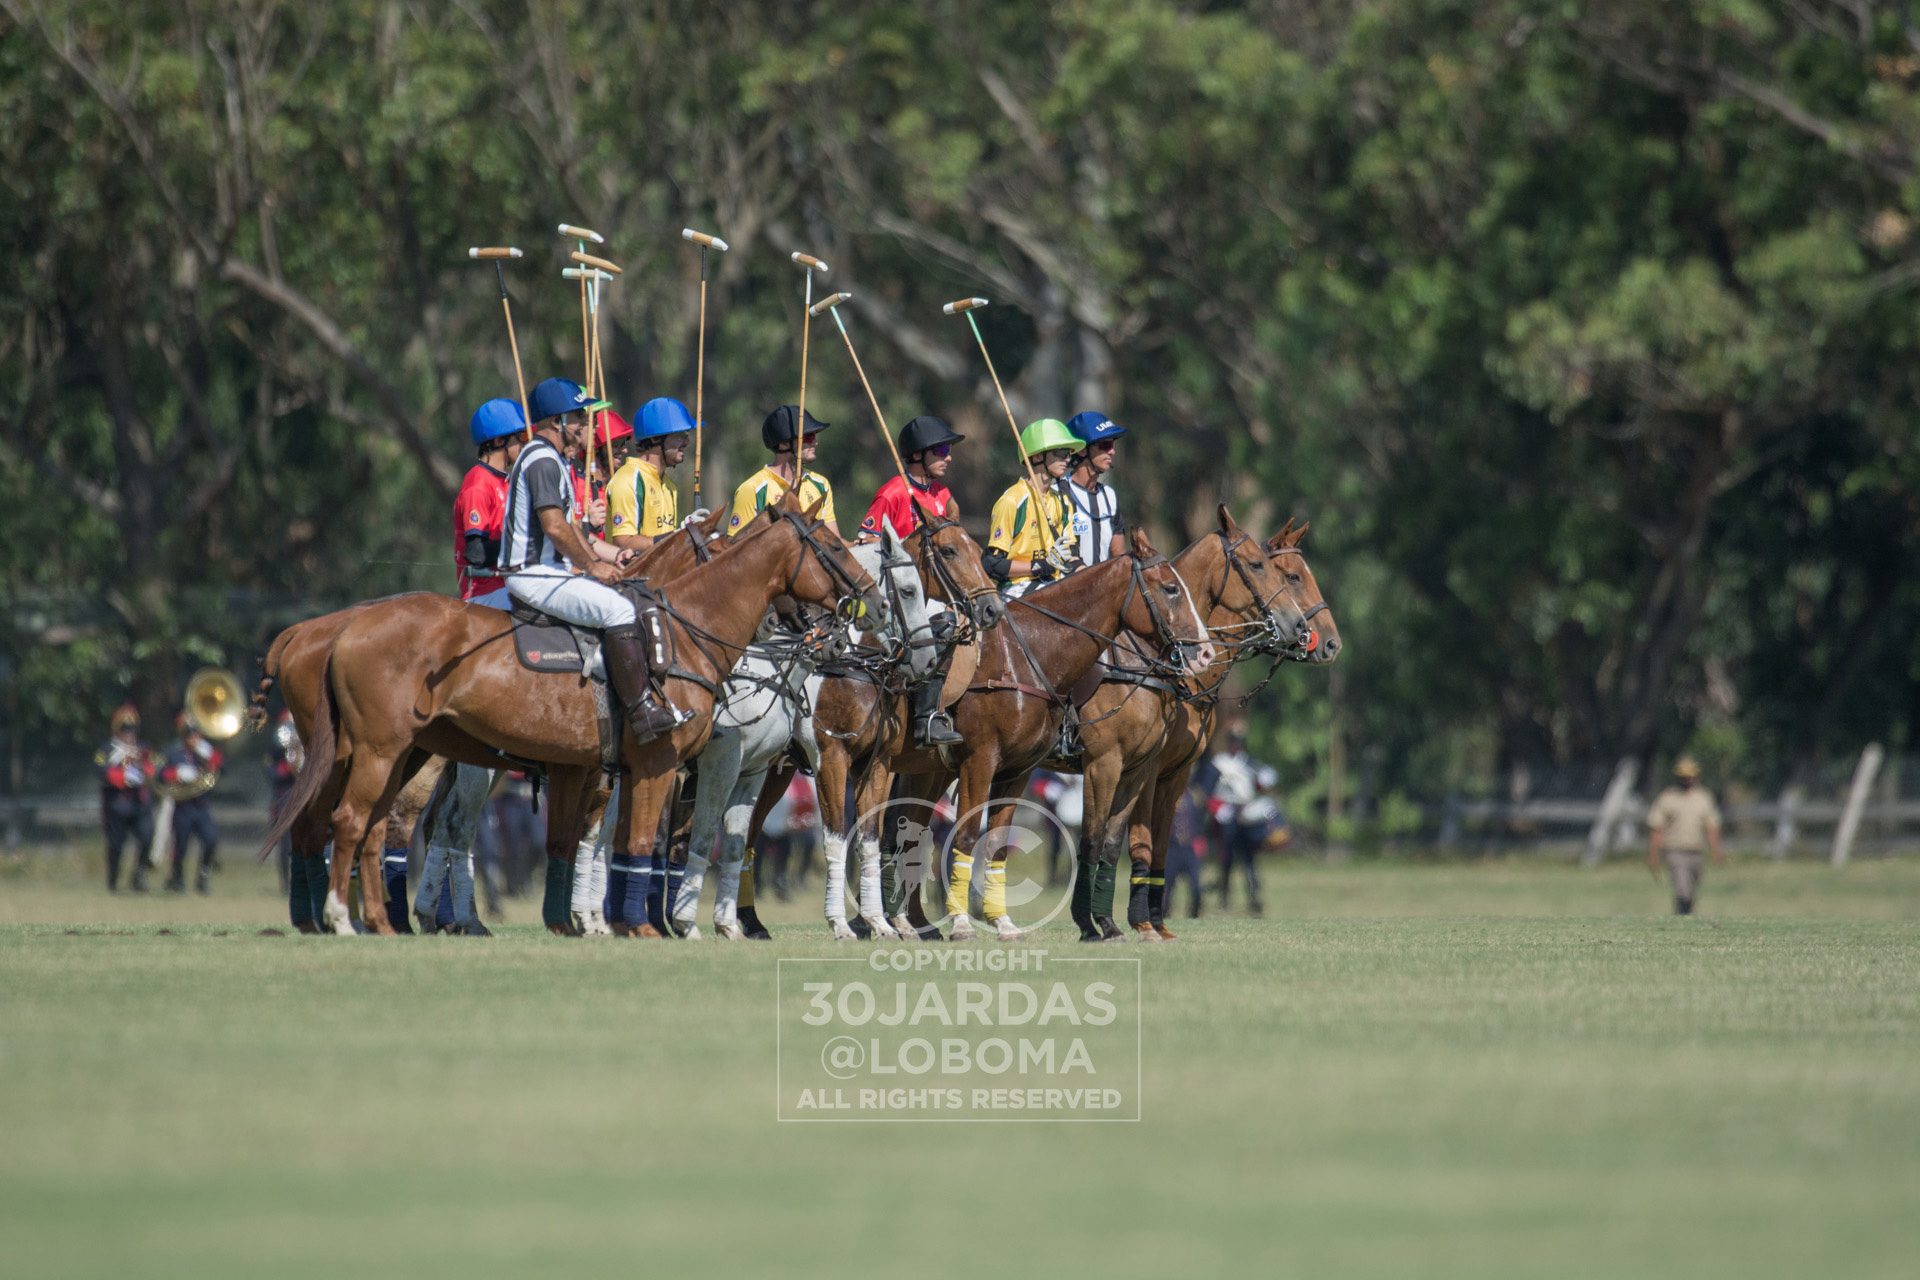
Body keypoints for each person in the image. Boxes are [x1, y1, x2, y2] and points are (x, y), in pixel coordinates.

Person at [502, 375, 688, 743]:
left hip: (548, 571)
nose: (586, 425)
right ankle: (641, 712)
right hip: (535, 574)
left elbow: (574, 530)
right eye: (579, 418)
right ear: (558, 422)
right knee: (620, 612)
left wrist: (613, 561)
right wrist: (592, 568)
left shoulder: (553, 459)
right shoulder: (541, 458)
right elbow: (555, 528)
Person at [858, 414, 967, 747]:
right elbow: (865, 542)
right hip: (898, 595)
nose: (948, 456)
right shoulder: (891, 493)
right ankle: (925, 718)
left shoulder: (942, 493)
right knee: (945, 624)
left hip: (931, 590)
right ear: (918, 454)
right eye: (942, 450)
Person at [982, 418, 1077, 599]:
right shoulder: (1012, 500)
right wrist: (1041, 565)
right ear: (1037, 456)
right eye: (1061, 452)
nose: (1068, 458)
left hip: (1055, 586)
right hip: (1017, 591)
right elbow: (992, 564)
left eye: (1069, 453)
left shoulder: (1063, 502)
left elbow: (1072, 554)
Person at [1195, 718, 1277, 916]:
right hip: (1225, 816)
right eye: (1233, 740)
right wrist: (1217, 809)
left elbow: (1258, 788)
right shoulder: (1217, 764)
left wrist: (1265, 780)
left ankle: (1254, 897)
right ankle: (1224, 899)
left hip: (1246, 815)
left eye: (1238, 741)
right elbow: (1205, 793)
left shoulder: (1250, 763)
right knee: (1226, 860)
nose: (1235, 744)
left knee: (1250, 859)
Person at [456, 398, 527, 609]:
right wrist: (526, 548)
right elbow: (476, 553)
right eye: (520, 436)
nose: (525, 443)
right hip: (483, 593)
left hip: (507, 586)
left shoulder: (506, 482)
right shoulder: (478, 483)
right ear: (498, 441)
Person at [608, 397, 700, 553]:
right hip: (628, 576)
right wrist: (678, 536)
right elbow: (623, 541)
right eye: (680, 435)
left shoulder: (669, 485)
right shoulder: (628, 480)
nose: (687, 442)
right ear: (655, 438)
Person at [727, 404, 836, 536]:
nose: (815, 442)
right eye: (808, 437)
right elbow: (737, 549)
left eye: (814, 436)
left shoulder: (821, 485)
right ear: (783, 444)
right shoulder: (752, 489)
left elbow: (834, 542)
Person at [1647, 756, 1723, 915]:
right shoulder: (1668, 797)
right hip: (1675, 850)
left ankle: (1685, 916)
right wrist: (1653, 855)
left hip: (1696, 850)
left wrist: (1715, 851)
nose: (1687, 779)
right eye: (1683, 776)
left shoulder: (1703, 797)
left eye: (1690, 775)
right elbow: (1656, 827)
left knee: (1692, 889)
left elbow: (1712, 826)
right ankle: (1683, 915)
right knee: (1683, 889)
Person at [94, 704, 156, 892]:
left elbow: (152, 771)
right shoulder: (105, 750)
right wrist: (122, 775)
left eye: (132, 729)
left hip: (139, 803)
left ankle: (139, 874)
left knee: (146, 837)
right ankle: (113, 880)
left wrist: (139, 760)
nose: (129, 734)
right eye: (125, 729)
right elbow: (100, 771)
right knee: (116, 845)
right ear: (116, 730)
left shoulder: (143, 749)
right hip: (117, 804)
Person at [158, 714, 222, 894]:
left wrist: (210, 755)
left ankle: (203, 876)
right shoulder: (173, 753)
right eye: (189, 735)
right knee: (181, 846)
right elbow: (160, 776)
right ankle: (176, 879)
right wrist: (177, 773)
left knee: (210, 840)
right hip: (183, 806)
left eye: (195, 734)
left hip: (201, 805)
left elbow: (222, 768)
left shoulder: (204, 752)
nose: (193, 738)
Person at [1062, 410, 1127, 565]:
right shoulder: (1058, 493)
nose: (1112, 451)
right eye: (1105, 445)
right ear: (1083, 450)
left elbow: (1119, 556)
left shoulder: (1109, 496)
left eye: (1112, 444)